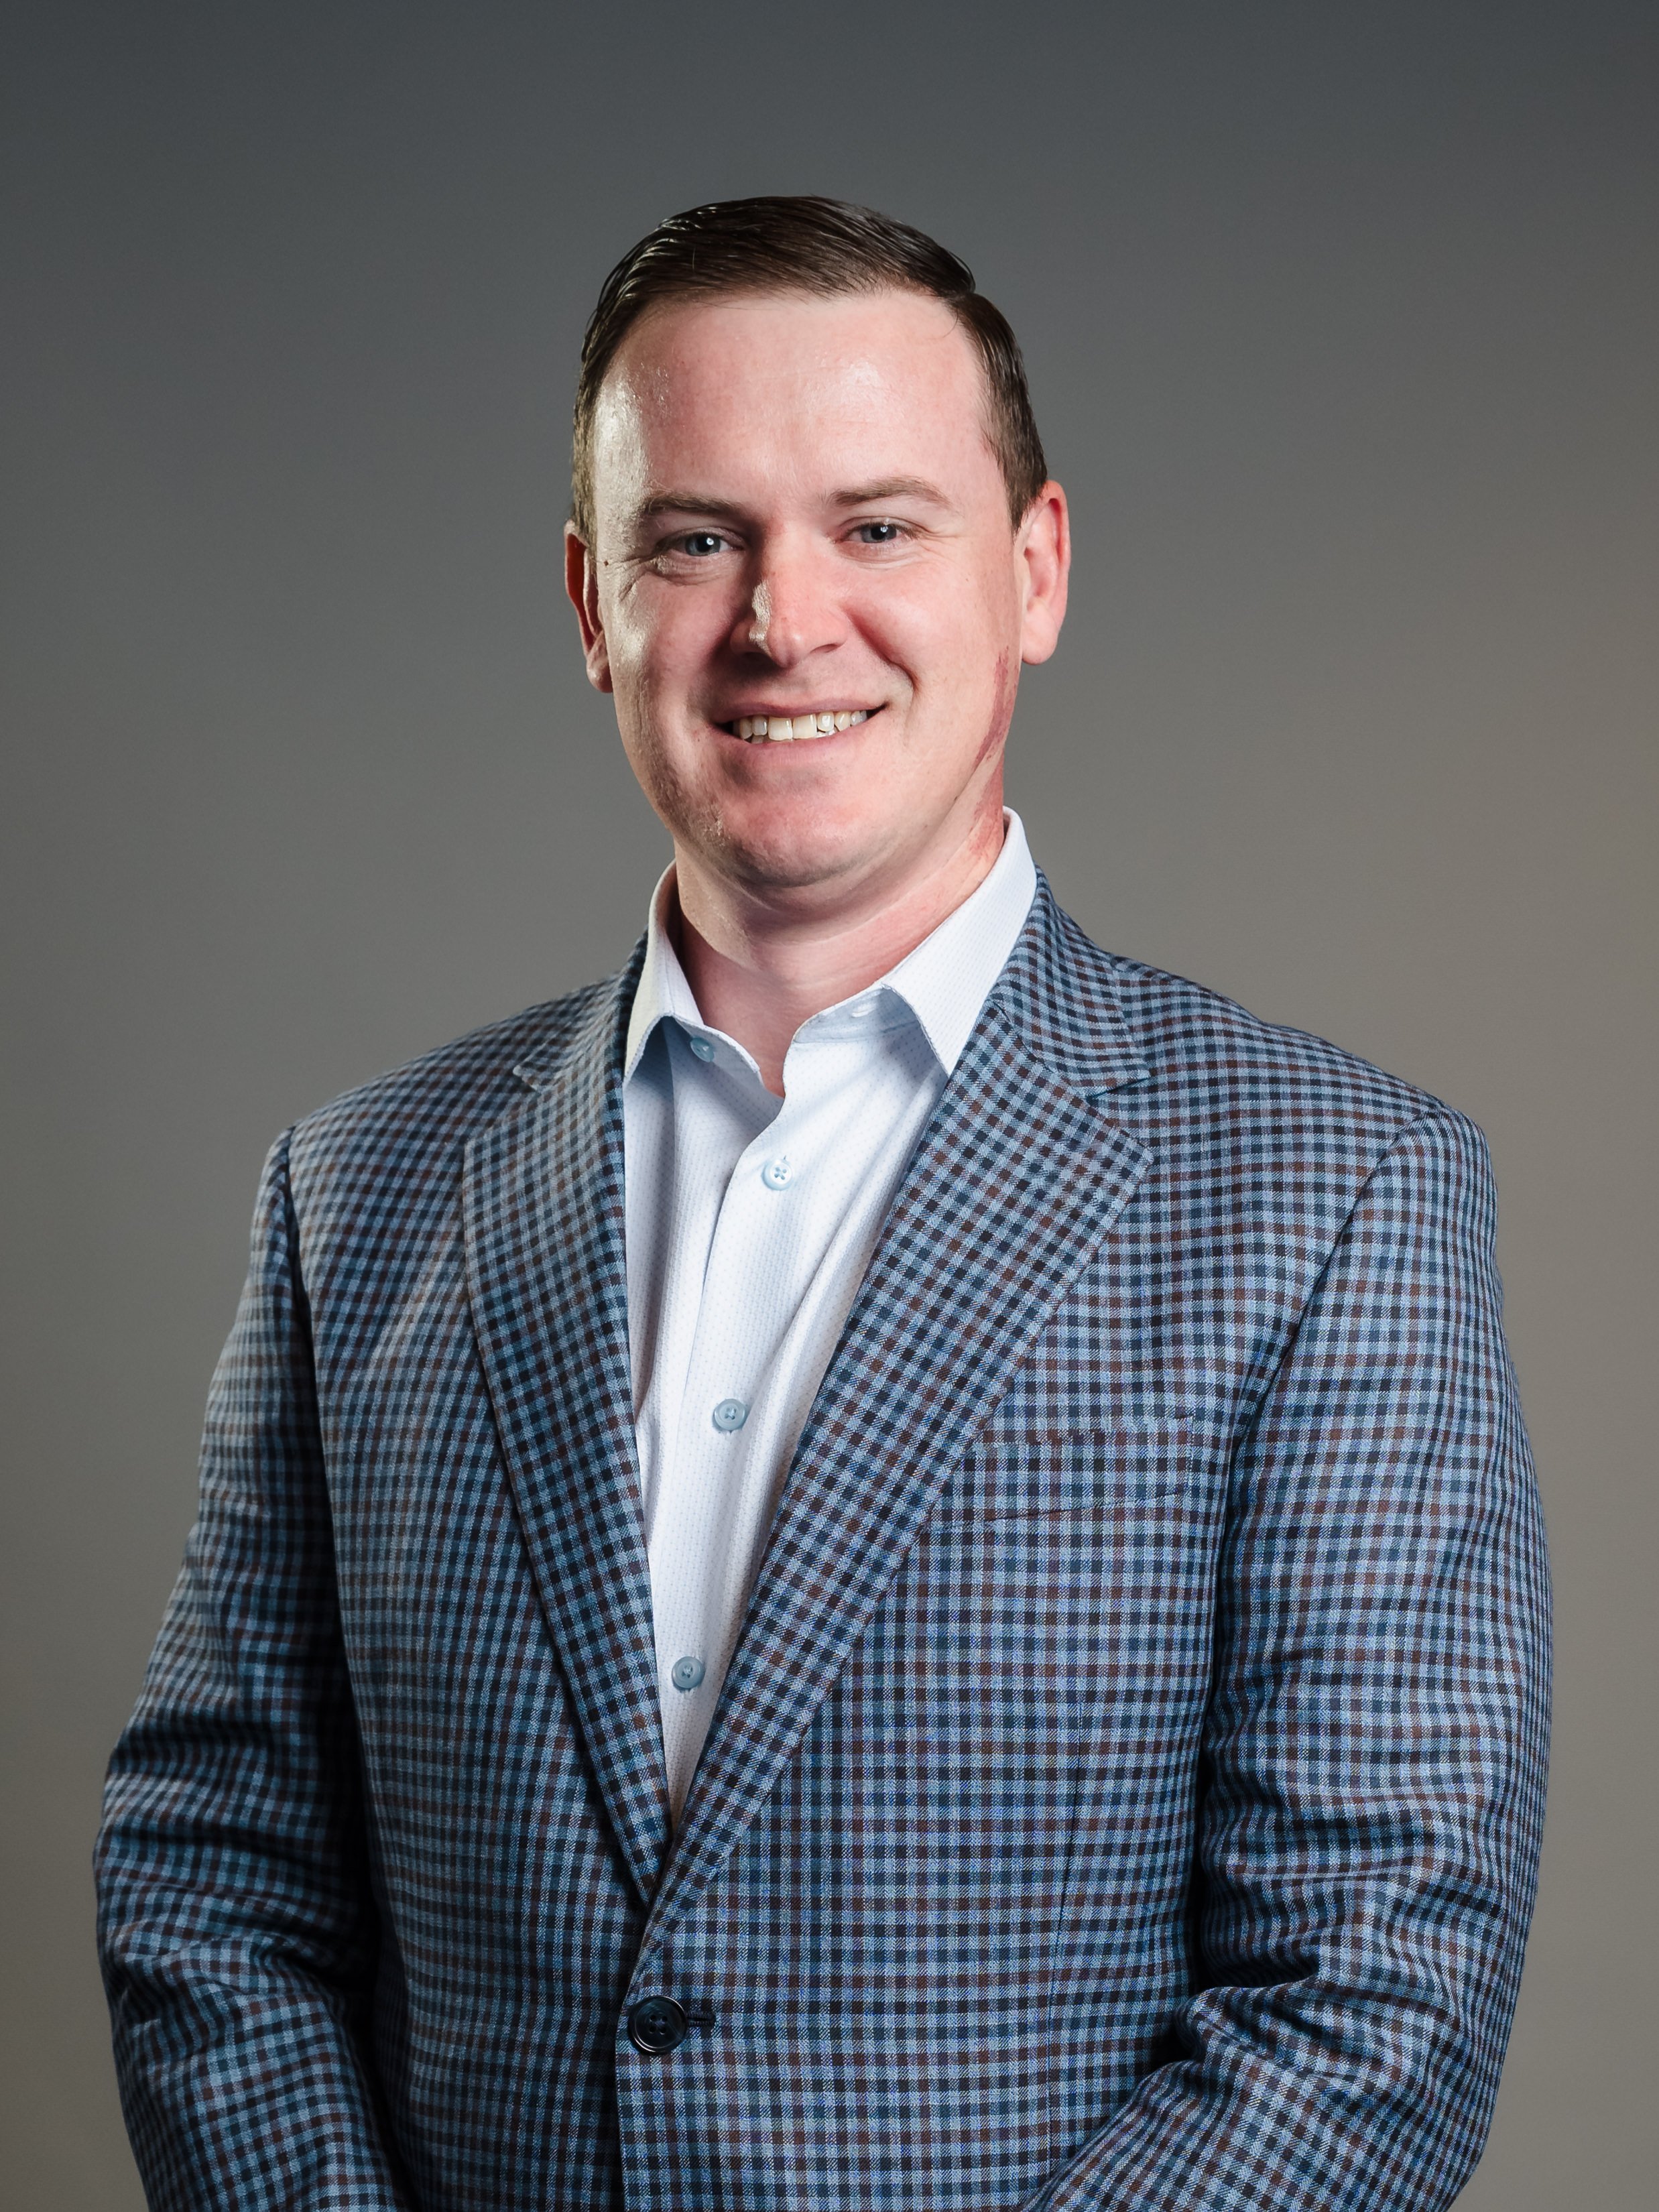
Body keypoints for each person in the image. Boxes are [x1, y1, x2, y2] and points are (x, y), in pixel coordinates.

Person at [95, 196, 1550, 2212]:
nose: (784, 619)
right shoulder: (356, 1195)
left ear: (1032, 569)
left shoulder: (1330, 1195)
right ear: (593, 604)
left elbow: (1371, 1996)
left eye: (878, 525)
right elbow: (214, 1883)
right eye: (697, 538)